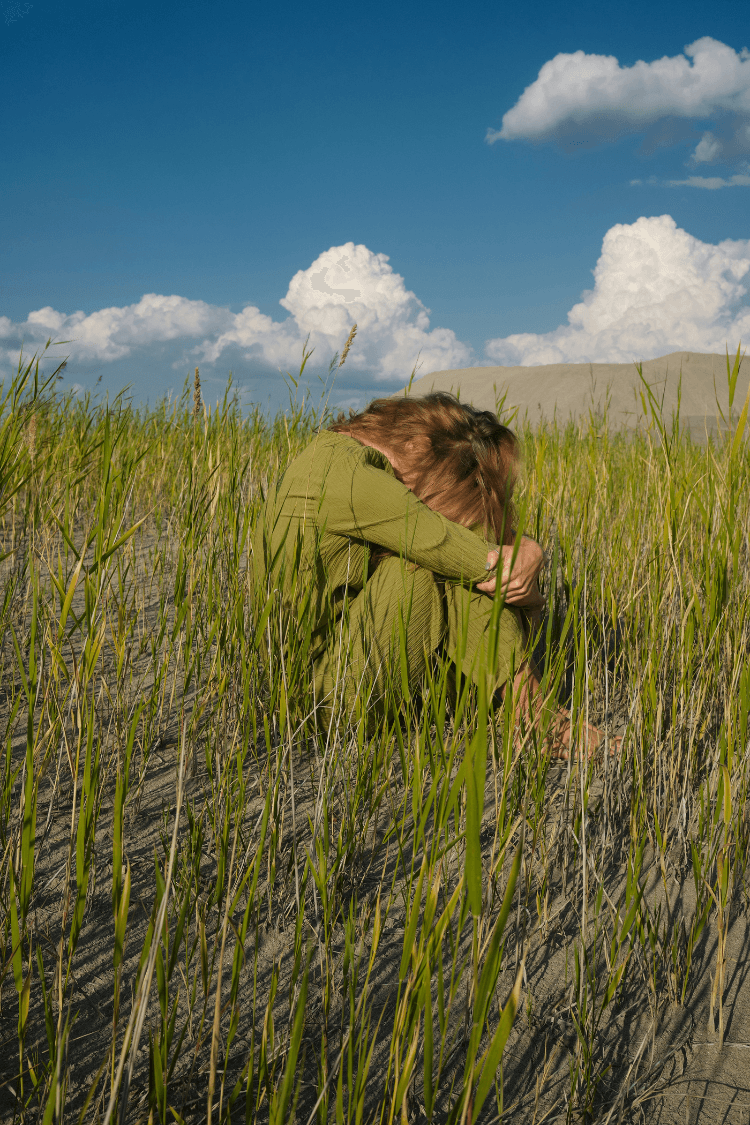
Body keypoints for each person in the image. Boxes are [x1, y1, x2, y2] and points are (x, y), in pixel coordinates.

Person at [252, 391, 608, 756]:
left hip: (362, 673)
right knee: (435, 561)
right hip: (319, 702)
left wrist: (530, 550)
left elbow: (451, 540)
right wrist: (532, 595)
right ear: (415, 443)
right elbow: (451, 546)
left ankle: (522, 709)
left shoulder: (342, 461)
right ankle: (535, 716)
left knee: (447, 555)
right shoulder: (343, 474)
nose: (419, 493)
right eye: (434, 479)